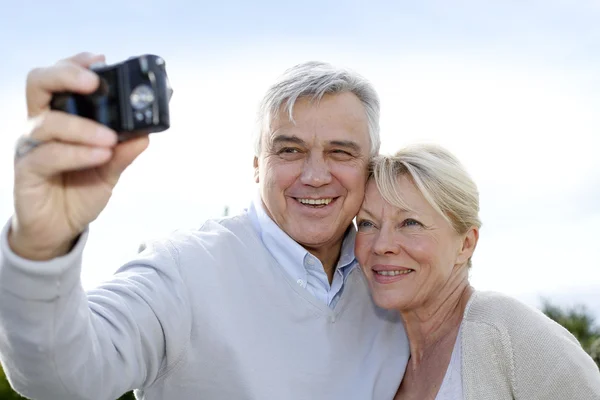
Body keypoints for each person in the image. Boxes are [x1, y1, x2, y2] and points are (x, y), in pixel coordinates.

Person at [0, 53, 409, 400]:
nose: (316, 175)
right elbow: (60, 375)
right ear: (256, 167)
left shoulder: (396, 283)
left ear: (371, 168)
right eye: (290, 150)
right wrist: (41, 246)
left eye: (340, 152)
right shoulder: (183, 273)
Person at [354, 143, 600, 400]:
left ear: (466, 244)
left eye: (410, 223)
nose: (382, 245)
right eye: (368, 223)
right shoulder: (382, 356)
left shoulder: (506, 330)